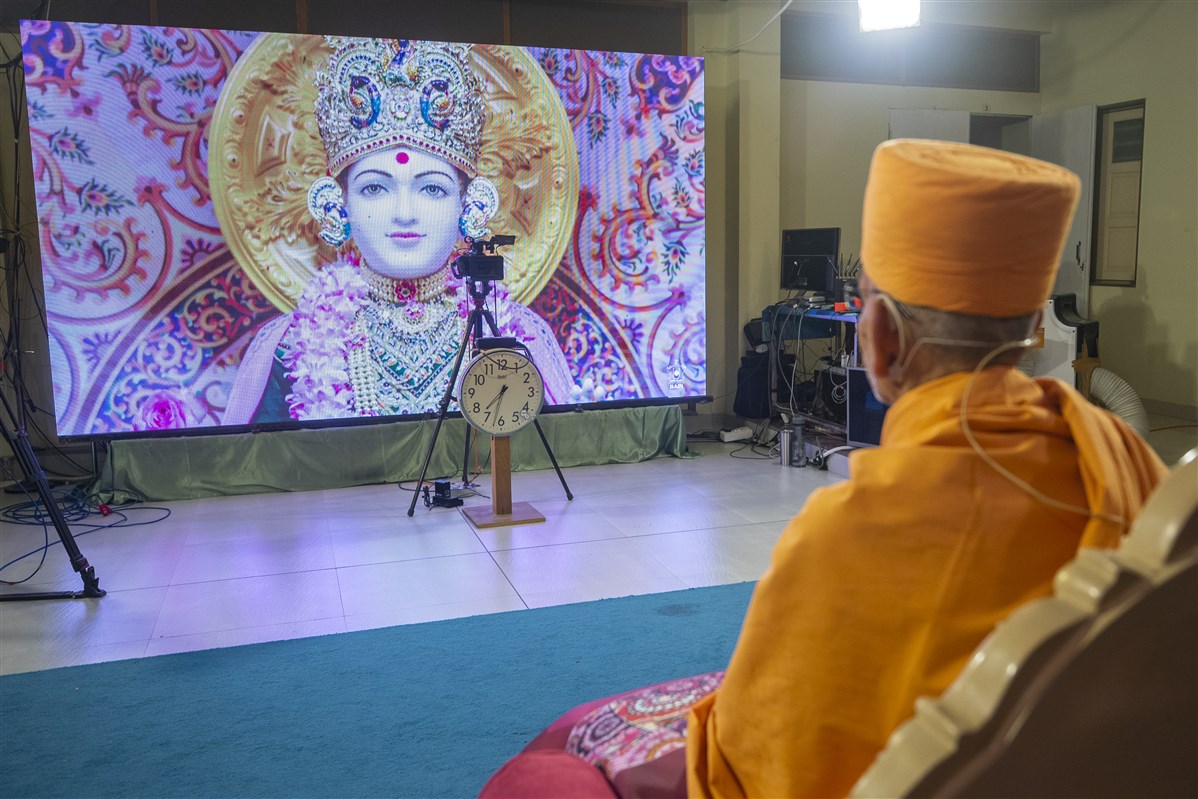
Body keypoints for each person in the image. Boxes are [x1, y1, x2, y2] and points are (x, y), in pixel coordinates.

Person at [478, 139, 1168, 798]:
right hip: (1090, 768)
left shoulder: (849, 537)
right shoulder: (1125, 460)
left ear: (882, 335)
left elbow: (752, 761)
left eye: (863, 299)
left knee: (553, 758)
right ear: (1033, 329)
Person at [224, 36, 577, 425]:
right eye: (375, 188)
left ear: (469, 205)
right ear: (337, 205)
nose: (405, 214)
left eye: (431, 189)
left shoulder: (509, 334)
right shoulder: (292, 346)